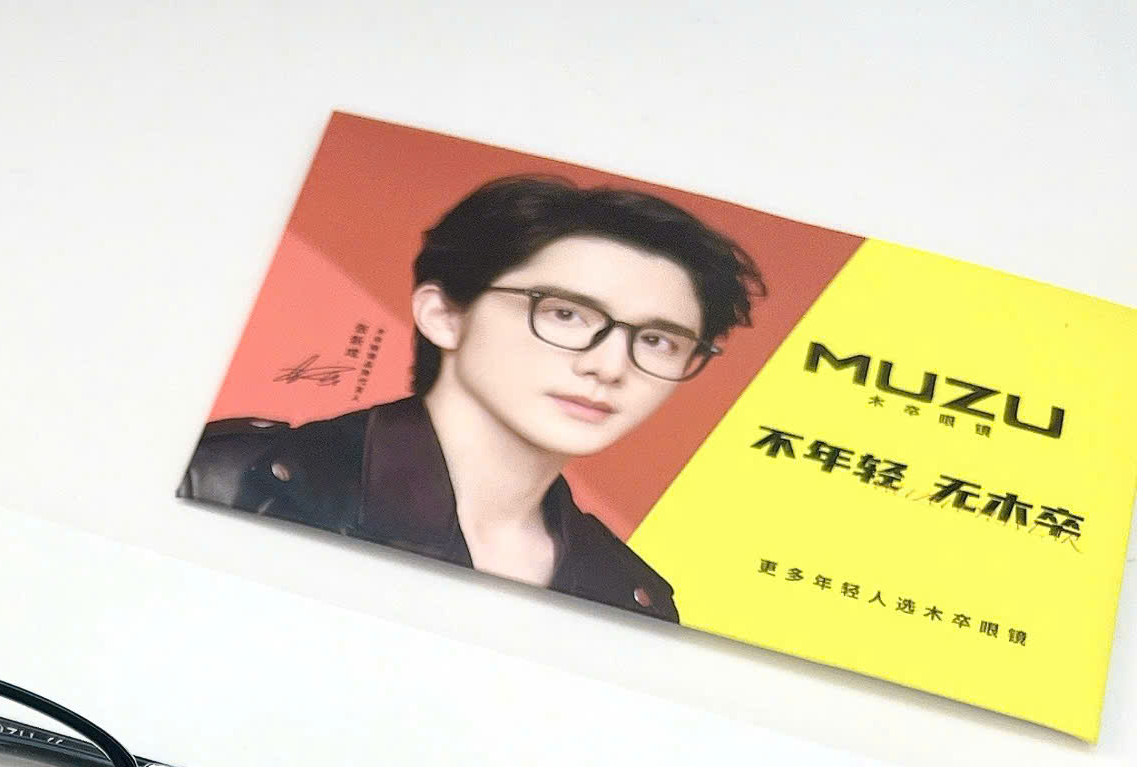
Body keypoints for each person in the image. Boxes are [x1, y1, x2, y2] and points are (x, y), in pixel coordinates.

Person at [182, 175, 765, 620]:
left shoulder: (627, 592)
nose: (610, 367)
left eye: (659, 341)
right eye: (565, 314)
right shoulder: (234, 479)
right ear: (444, 315)